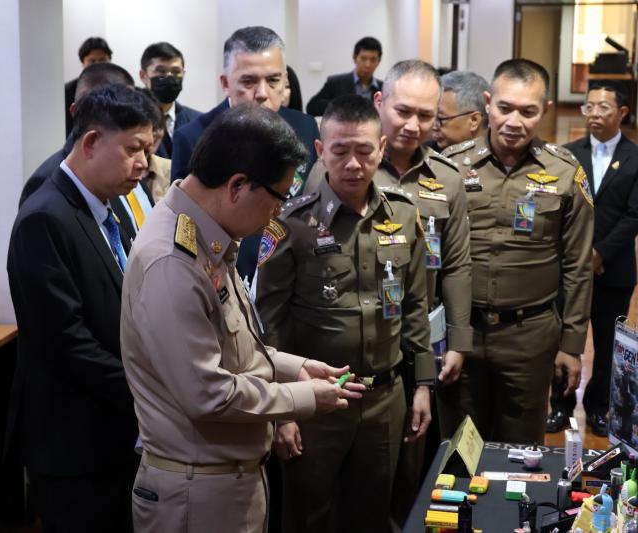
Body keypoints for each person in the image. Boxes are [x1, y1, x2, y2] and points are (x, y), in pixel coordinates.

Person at [121, 104, 364, 533]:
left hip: (225, 481)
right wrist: (305, 397)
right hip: (197, 493)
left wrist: (297, 367)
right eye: (278, 197)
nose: (278, 212)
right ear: (237, 185)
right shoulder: (172, 261)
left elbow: (237, 345)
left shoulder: (207, 233)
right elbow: (208, 394)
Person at [256, 95, 433, 533]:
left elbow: (416, 307)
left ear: (382, 148)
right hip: (315, 402)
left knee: (373, 516)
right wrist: (282, 410)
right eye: (339, 151)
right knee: (308, 517)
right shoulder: (290, 223)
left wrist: (423, 385)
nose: (353, 164)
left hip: (385, 399)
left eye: (364, 150)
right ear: (320, 151)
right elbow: (270, 323)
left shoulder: (404, 214)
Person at [6, 85, 160, 532]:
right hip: (75, 441)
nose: (143, 163)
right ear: (91, 142)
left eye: (147, 149)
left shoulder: (110, 208)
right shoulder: (45, 217)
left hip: (116, 429)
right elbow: (66, 342)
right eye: (133, 149)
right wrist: (150, 389)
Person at [442, 58, 594, 444]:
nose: (514, 122)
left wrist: (572, 345)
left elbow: (578, 266)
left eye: (528, 112)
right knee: (459, 449)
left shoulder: (565, 172)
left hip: (529, 337)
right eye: (505, 108)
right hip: (461, 333)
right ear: (487, 104)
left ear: (545, 110)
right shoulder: (451, 167)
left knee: (522, 452)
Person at [372, 59, 472, 524]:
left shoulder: (447, 178)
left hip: (422, 338)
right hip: (364, 335)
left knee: (416, 456)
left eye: (426, 115)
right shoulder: (348, 166)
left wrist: (459, 341)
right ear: (380, 103)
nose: (413, 125)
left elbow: (457, 265)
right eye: (403, 111)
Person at [170, 26, 320, 280]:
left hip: (291, 275)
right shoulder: (194, 137)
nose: (262, 94)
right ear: (225, 83)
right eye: (248, 82)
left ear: (285, 80)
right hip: (222, 276)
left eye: (273, 80)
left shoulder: (305, 128)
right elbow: (185, 227)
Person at [547, 83, 638, 436]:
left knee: (607, 343)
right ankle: (560, 404)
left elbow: (633, 216)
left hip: (614, 270)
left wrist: (599, 253)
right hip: (570, 268)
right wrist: (581, 256)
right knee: (564, 338)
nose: (594, 114)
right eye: (589, 107)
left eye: (603, 107)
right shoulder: (567, 155)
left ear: (622, 113)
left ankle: (599, 407)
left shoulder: (634, 157)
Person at [19, 63, 140, 236]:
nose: (129, 119)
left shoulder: (123, 164)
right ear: (77, 111)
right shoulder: (46, 180)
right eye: (119, 110)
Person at [139, 41, 201, 159]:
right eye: (161, 71)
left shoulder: (198, 121)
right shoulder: (130, 120)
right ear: (143, 76)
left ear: (183, 74)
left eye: (176, 72)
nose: (169, 77)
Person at [306, 36, 383, 117]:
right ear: (354, 58)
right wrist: (338, 107)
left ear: (379, 61)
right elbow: (312, 107)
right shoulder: (335, 83)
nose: (368, 65)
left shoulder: (384, 88)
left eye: (373, 60)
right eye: (363, 59)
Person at [65, 36, 113, 136]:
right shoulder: (68, 91)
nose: (98, 65)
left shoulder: (120, 88)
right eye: (92, 61)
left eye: (102, 60)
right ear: (83, 63)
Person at [432, 70, 489, 151]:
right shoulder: (424, 153)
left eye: (440, 118)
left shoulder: (500, 155)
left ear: (474, 120)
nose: (433, 127)